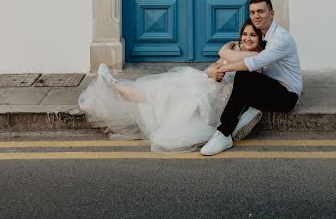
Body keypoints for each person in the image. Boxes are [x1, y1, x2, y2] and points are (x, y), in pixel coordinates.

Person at [77, 20, 266, 152]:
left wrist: (226, 49)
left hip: (215, 99)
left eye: (252, 35)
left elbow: (228, 57)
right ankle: (121, 91)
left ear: (260, 40)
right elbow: (213, 66)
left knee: (168, 94)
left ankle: (119, 89)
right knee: (164, 87)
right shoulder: (237, 50)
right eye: (244, 34)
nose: (247, 38)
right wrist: (212, 71)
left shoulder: (257, 58)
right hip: (205, 83)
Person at [200, 0, 302, 156]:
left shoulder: (280, 38)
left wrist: (223, 69)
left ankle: (224, 133)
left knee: (244, 75)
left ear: (272, 13)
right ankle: (249, 110)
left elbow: (253, 63)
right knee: (242, 81)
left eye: (261, 11)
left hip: (286, 96)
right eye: (253, 12)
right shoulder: (262, 34)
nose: (256, 16)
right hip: (268, 86)